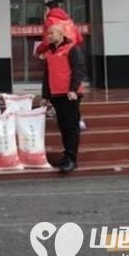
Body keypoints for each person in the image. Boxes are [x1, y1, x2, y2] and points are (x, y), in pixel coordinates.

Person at [42, 24, 86, 174]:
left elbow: (78, 70)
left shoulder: (72, 49)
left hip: (69, 94)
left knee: (71, 127)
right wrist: (45, 96)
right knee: (63, 126)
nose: (49, 36)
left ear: (61, 34)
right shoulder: (50, 52)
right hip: (56, 95)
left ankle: (71, 159)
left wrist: (73, 89)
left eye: (52, 33)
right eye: (48, 34)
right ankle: (67, 155)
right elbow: (47, 76)